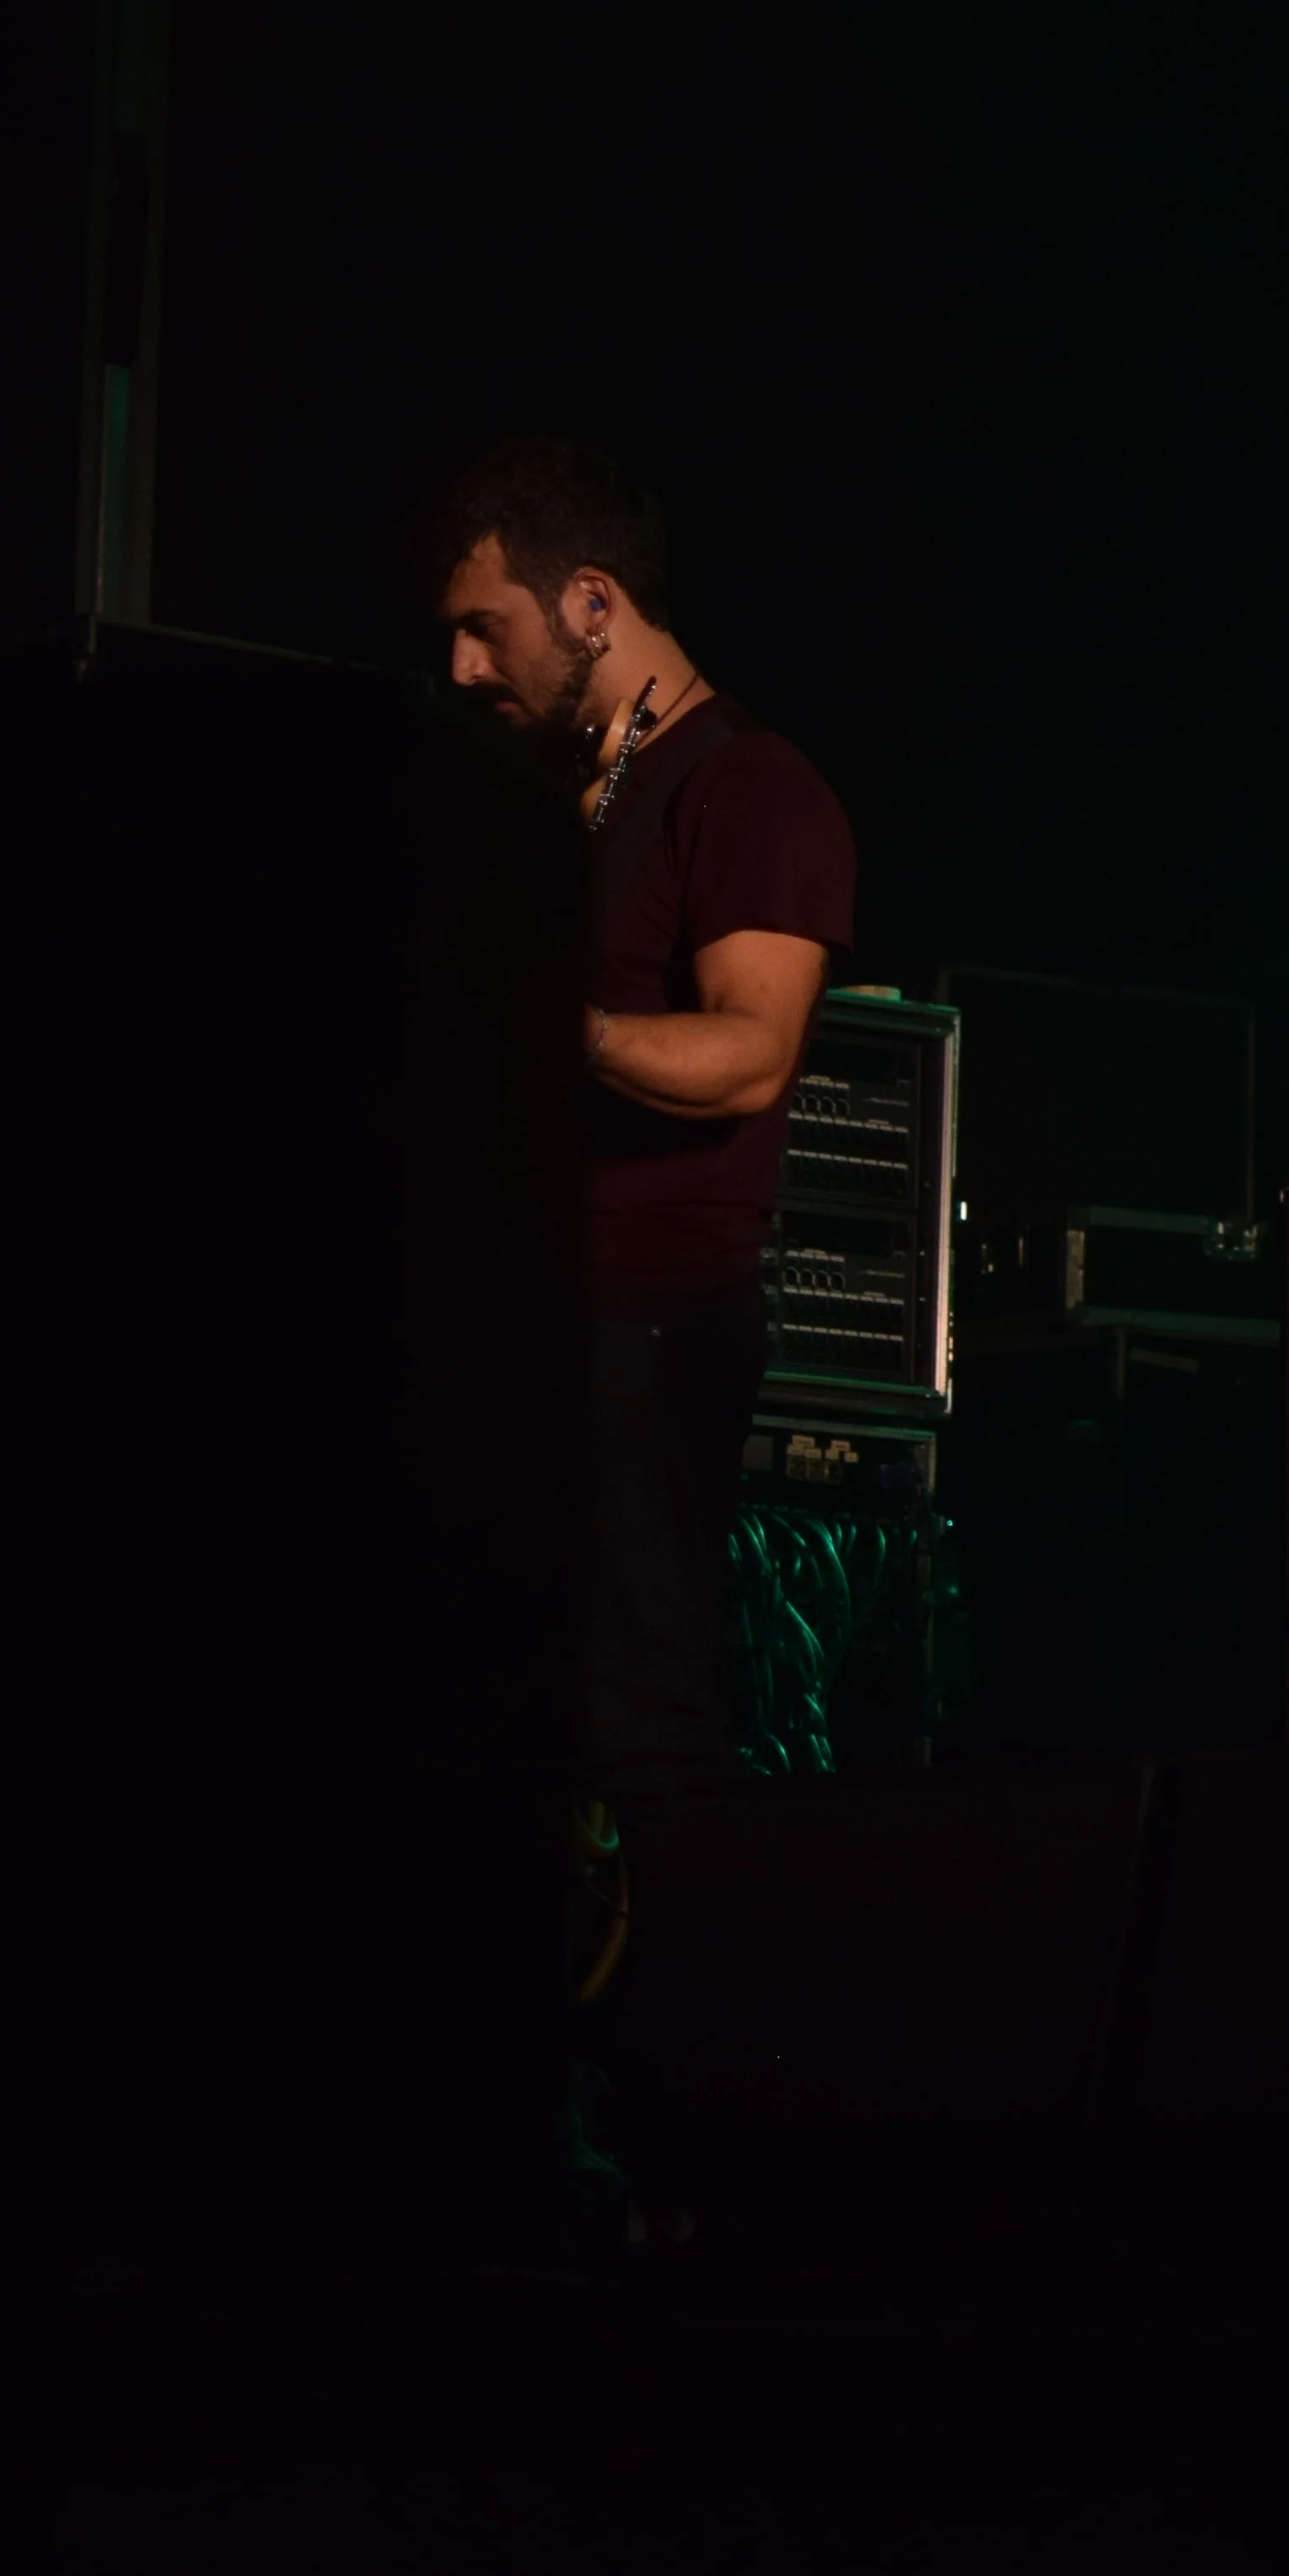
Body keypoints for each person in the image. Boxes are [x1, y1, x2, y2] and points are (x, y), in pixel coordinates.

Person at [422, 440, 858, 1799]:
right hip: (541, 1315)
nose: (463, 671)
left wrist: (547, 1022)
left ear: (593, 602)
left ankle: (679, 1931)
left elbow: (750, 1053)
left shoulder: (752, 787)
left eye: (486, 629)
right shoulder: (579, 795)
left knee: (633, 1711)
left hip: (653, 1324)